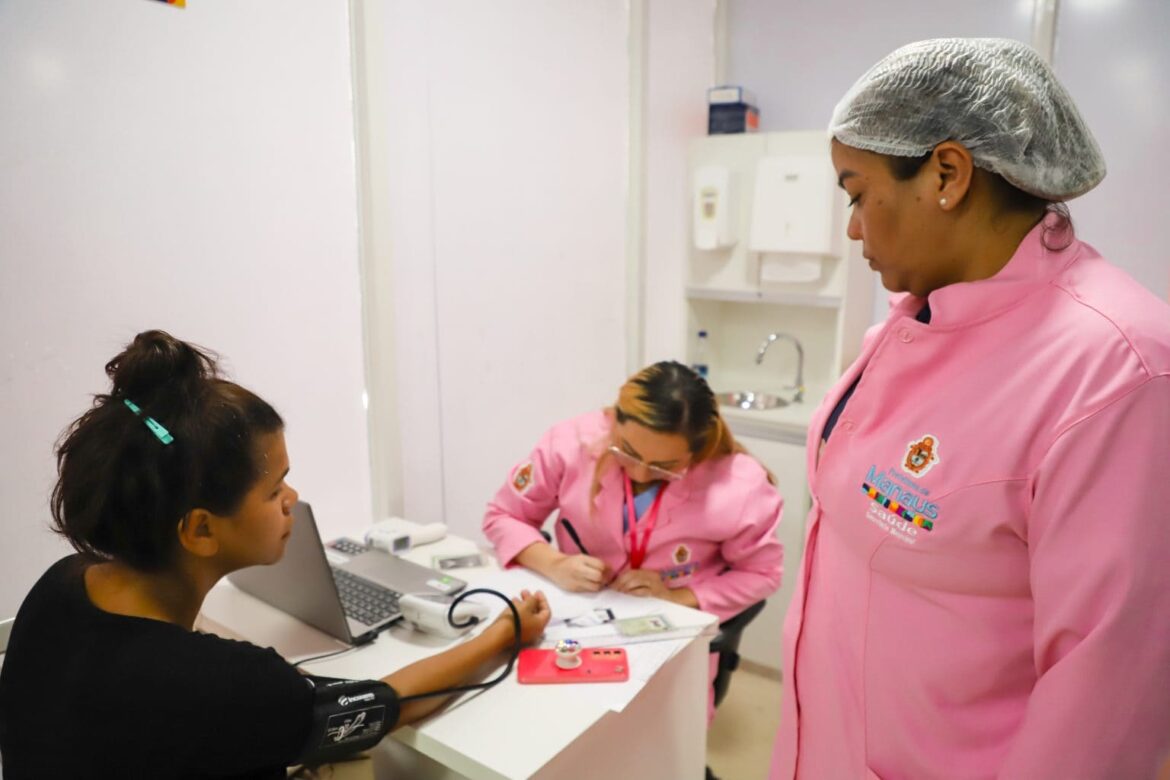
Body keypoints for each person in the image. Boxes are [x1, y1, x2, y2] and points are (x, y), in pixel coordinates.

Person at [769, 38, 1170, 779]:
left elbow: (1103, 702)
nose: (853, 227)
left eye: (857, 193)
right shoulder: (913, 318)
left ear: (947, 174)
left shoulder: (1116, 370)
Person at [0, 330, 551, 778]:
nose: (293, 500)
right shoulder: (230, 686)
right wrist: (503, 633)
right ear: (199, 530)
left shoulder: (61, 586)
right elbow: (383, 705)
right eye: (274, 489)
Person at [482, 360, 784, 721]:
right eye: (627, 451)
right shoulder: (569, 444)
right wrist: (554, 563)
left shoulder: (740, 485)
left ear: (697, 451)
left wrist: (677, 596)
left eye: (664, 465)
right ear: (612, 419)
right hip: (579, 628)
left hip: (669, 643)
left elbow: (763, 573)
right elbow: (504, 514)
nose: (641, 473)